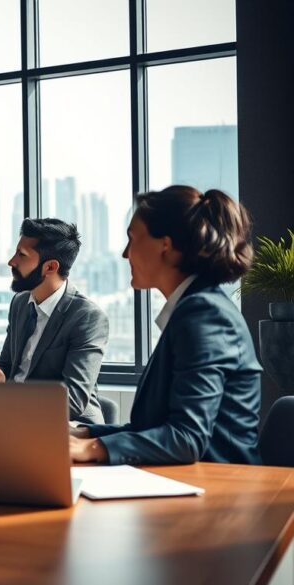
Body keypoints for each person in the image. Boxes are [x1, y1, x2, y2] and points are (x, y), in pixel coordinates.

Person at [71, 186, 261, 465]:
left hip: (223, 492)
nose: (125, 254)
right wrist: (81, 434)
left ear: (165, 245)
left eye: (132, 239)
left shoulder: (205, 314)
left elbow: (186, 439)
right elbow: (153, 431)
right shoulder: (193, 307)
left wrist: (89, 448)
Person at [0, 218, 109, 424]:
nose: (11, 262)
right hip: (16, 417)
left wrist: (6, 394)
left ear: (50, 267)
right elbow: (7, 364)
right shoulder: (20, 302)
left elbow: (72, 401)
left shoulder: (87, 317)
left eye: (22, 255)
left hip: (68, 426)